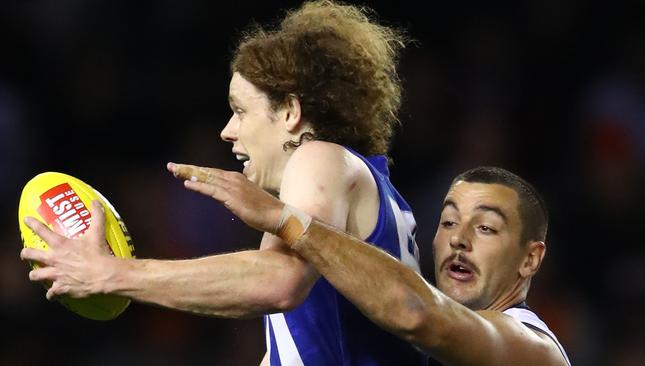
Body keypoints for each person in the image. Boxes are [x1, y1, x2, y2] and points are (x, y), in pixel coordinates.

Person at [20, 1, 427, 365]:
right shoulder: (367, 192)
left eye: (240, 111)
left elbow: (278, 281)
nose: (227, 131)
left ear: (290, 112)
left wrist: (111, 273)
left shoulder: (319, 157)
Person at [166, 164, 572, 365]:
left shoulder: (534, 349)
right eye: (447, 222)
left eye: (485, 228)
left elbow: (417, 312)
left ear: (530, 259)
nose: (458, 238)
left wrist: (285, 219)